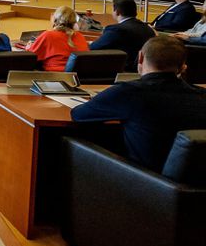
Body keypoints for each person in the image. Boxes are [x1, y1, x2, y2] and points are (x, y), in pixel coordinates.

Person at [71, 36, 206, 172]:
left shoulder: (128, 92)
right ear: (183, 66)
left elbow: (79, 115)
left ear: (140, 57)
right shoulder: (202, 95)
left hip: (140, 182)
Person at [89, 0, 156, 72]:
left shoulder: (116, 30)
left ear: (117, 12)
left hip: (121, 70)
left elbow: (92, 48)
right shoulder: (148, 29)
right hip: (143, 69)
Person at [20, 6, 90, 71]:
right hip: (77, 76)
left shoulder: (48, 35)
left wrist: (28, 47)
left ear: (55, 19)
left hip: (54, 76)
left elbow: (31, 55)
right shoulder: (80, 36)